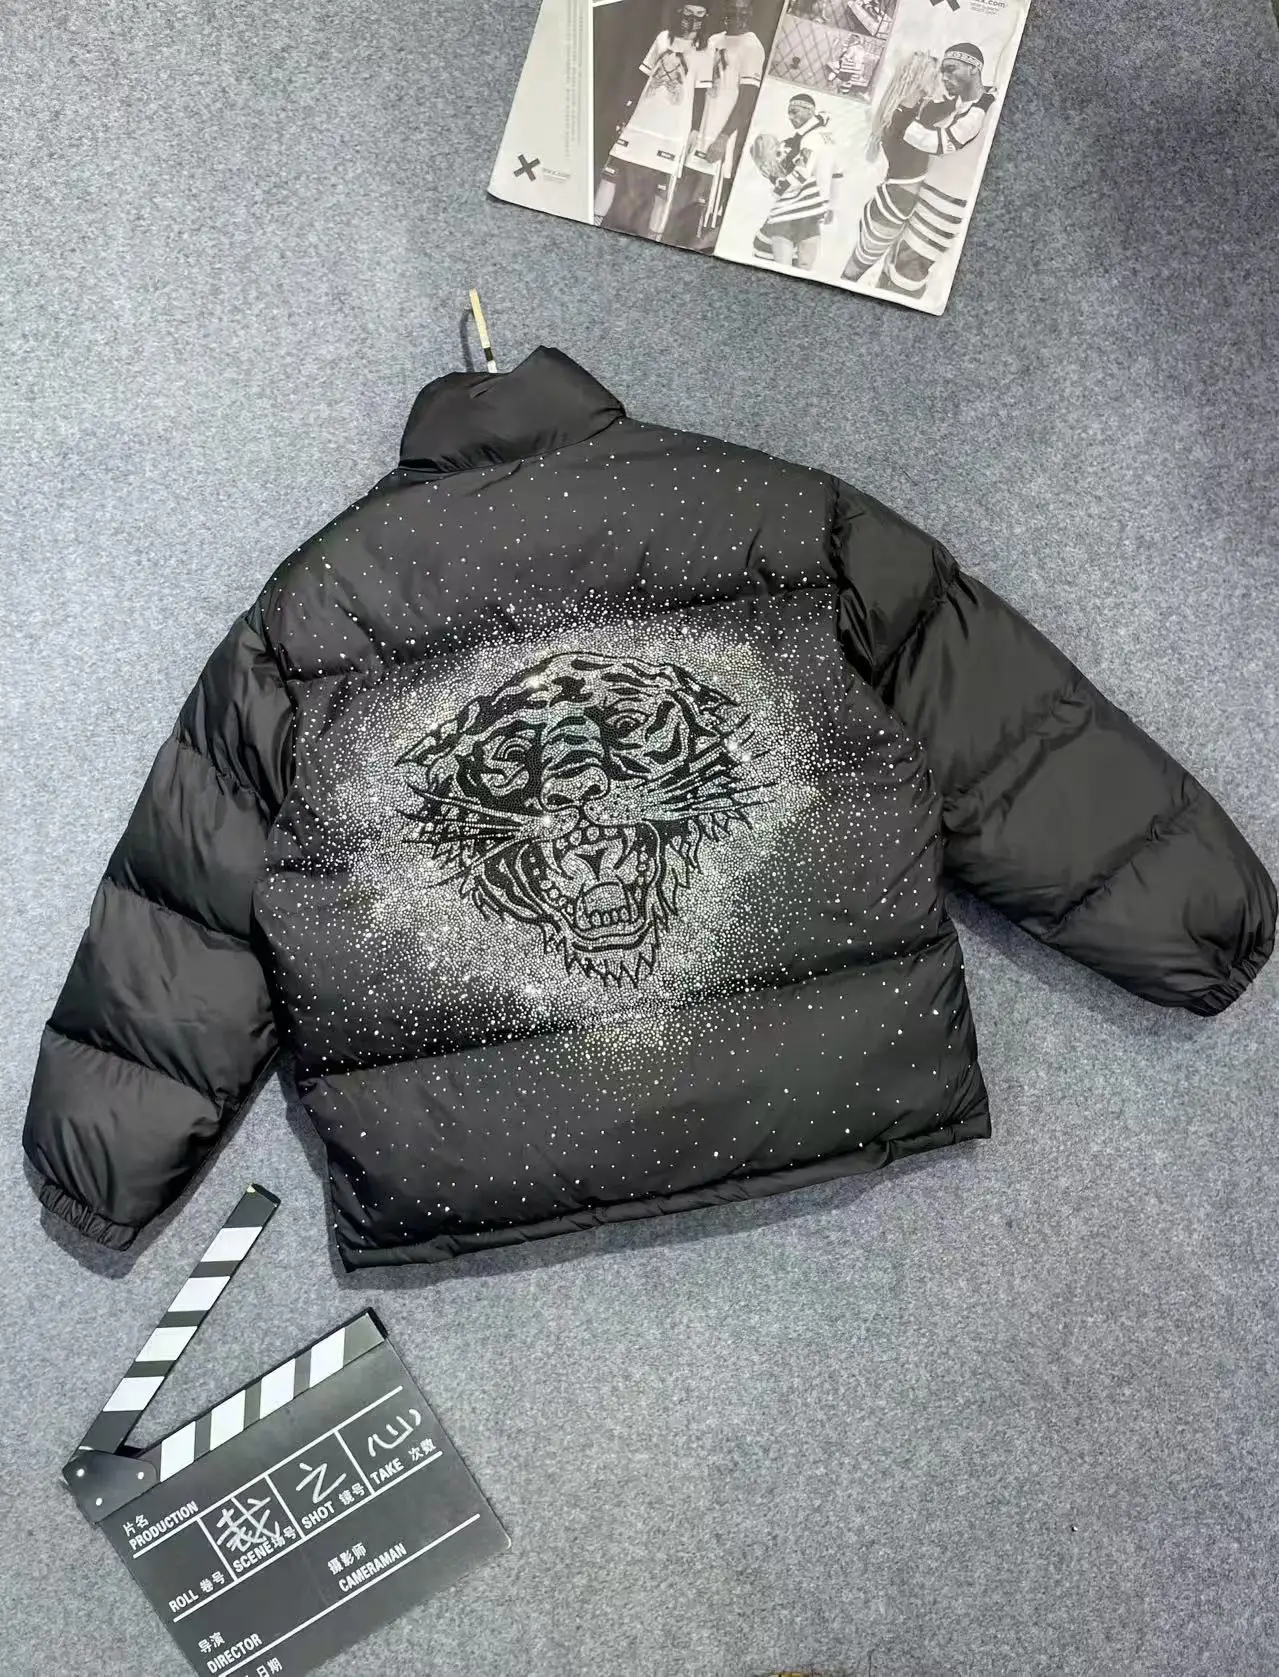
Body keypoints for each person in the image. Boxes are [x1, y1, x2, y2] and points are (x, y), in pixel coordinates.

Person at [842, 41, 996, 298]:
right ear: (919, 81)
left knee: (868, 271)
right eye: (938, 73)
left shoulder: (904, 113)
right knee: (877, 275)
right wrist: (985, 99)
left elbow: (950, 113)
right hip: (898, 204)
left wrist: (982, 96)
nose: (942, 79)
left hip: (896, 201)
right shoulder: (917, 115)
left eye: (948, 70)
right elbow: (942, 136)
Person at [595, 3, 712, 239]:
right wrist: (626, 112)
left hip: (673, 129)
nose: (692, 19)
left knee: (663, 191)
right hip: (642, 121)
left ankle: (653, 238)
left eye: (699, 14)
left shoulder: (706, 50)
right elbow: (643, 76)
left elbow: (701, 94)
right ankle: (593, 220)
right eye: (688, 13)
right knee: (611, 173)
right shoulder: (663, 39)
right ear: (679, 13)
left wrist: (695, 130)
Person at [664, 0, 767, 248]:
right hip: (695, 135)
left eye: (742, 11)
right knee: (676, 203)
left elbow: (747, 101)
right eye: (732, 10)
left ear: (750, 13)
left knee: (700, 212)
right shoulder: (713, 40)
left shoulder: (752, 46)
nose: (736, 15)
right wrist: (691, 127)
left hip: (719, 142)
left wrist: (723, 139)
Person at [751, 91, 844, 271]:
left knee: (783, 266)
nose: (790, 117)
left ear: (810, 111)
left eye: (795, 111)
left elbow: (800, 175)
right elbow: (838, 174)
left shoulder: (808, 139)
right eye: (789, 113)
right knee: (803, 267)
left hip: (797, 206)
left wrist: (776, 185)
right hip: (816, 209)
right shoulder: (830, 136)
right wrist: (832, 206)